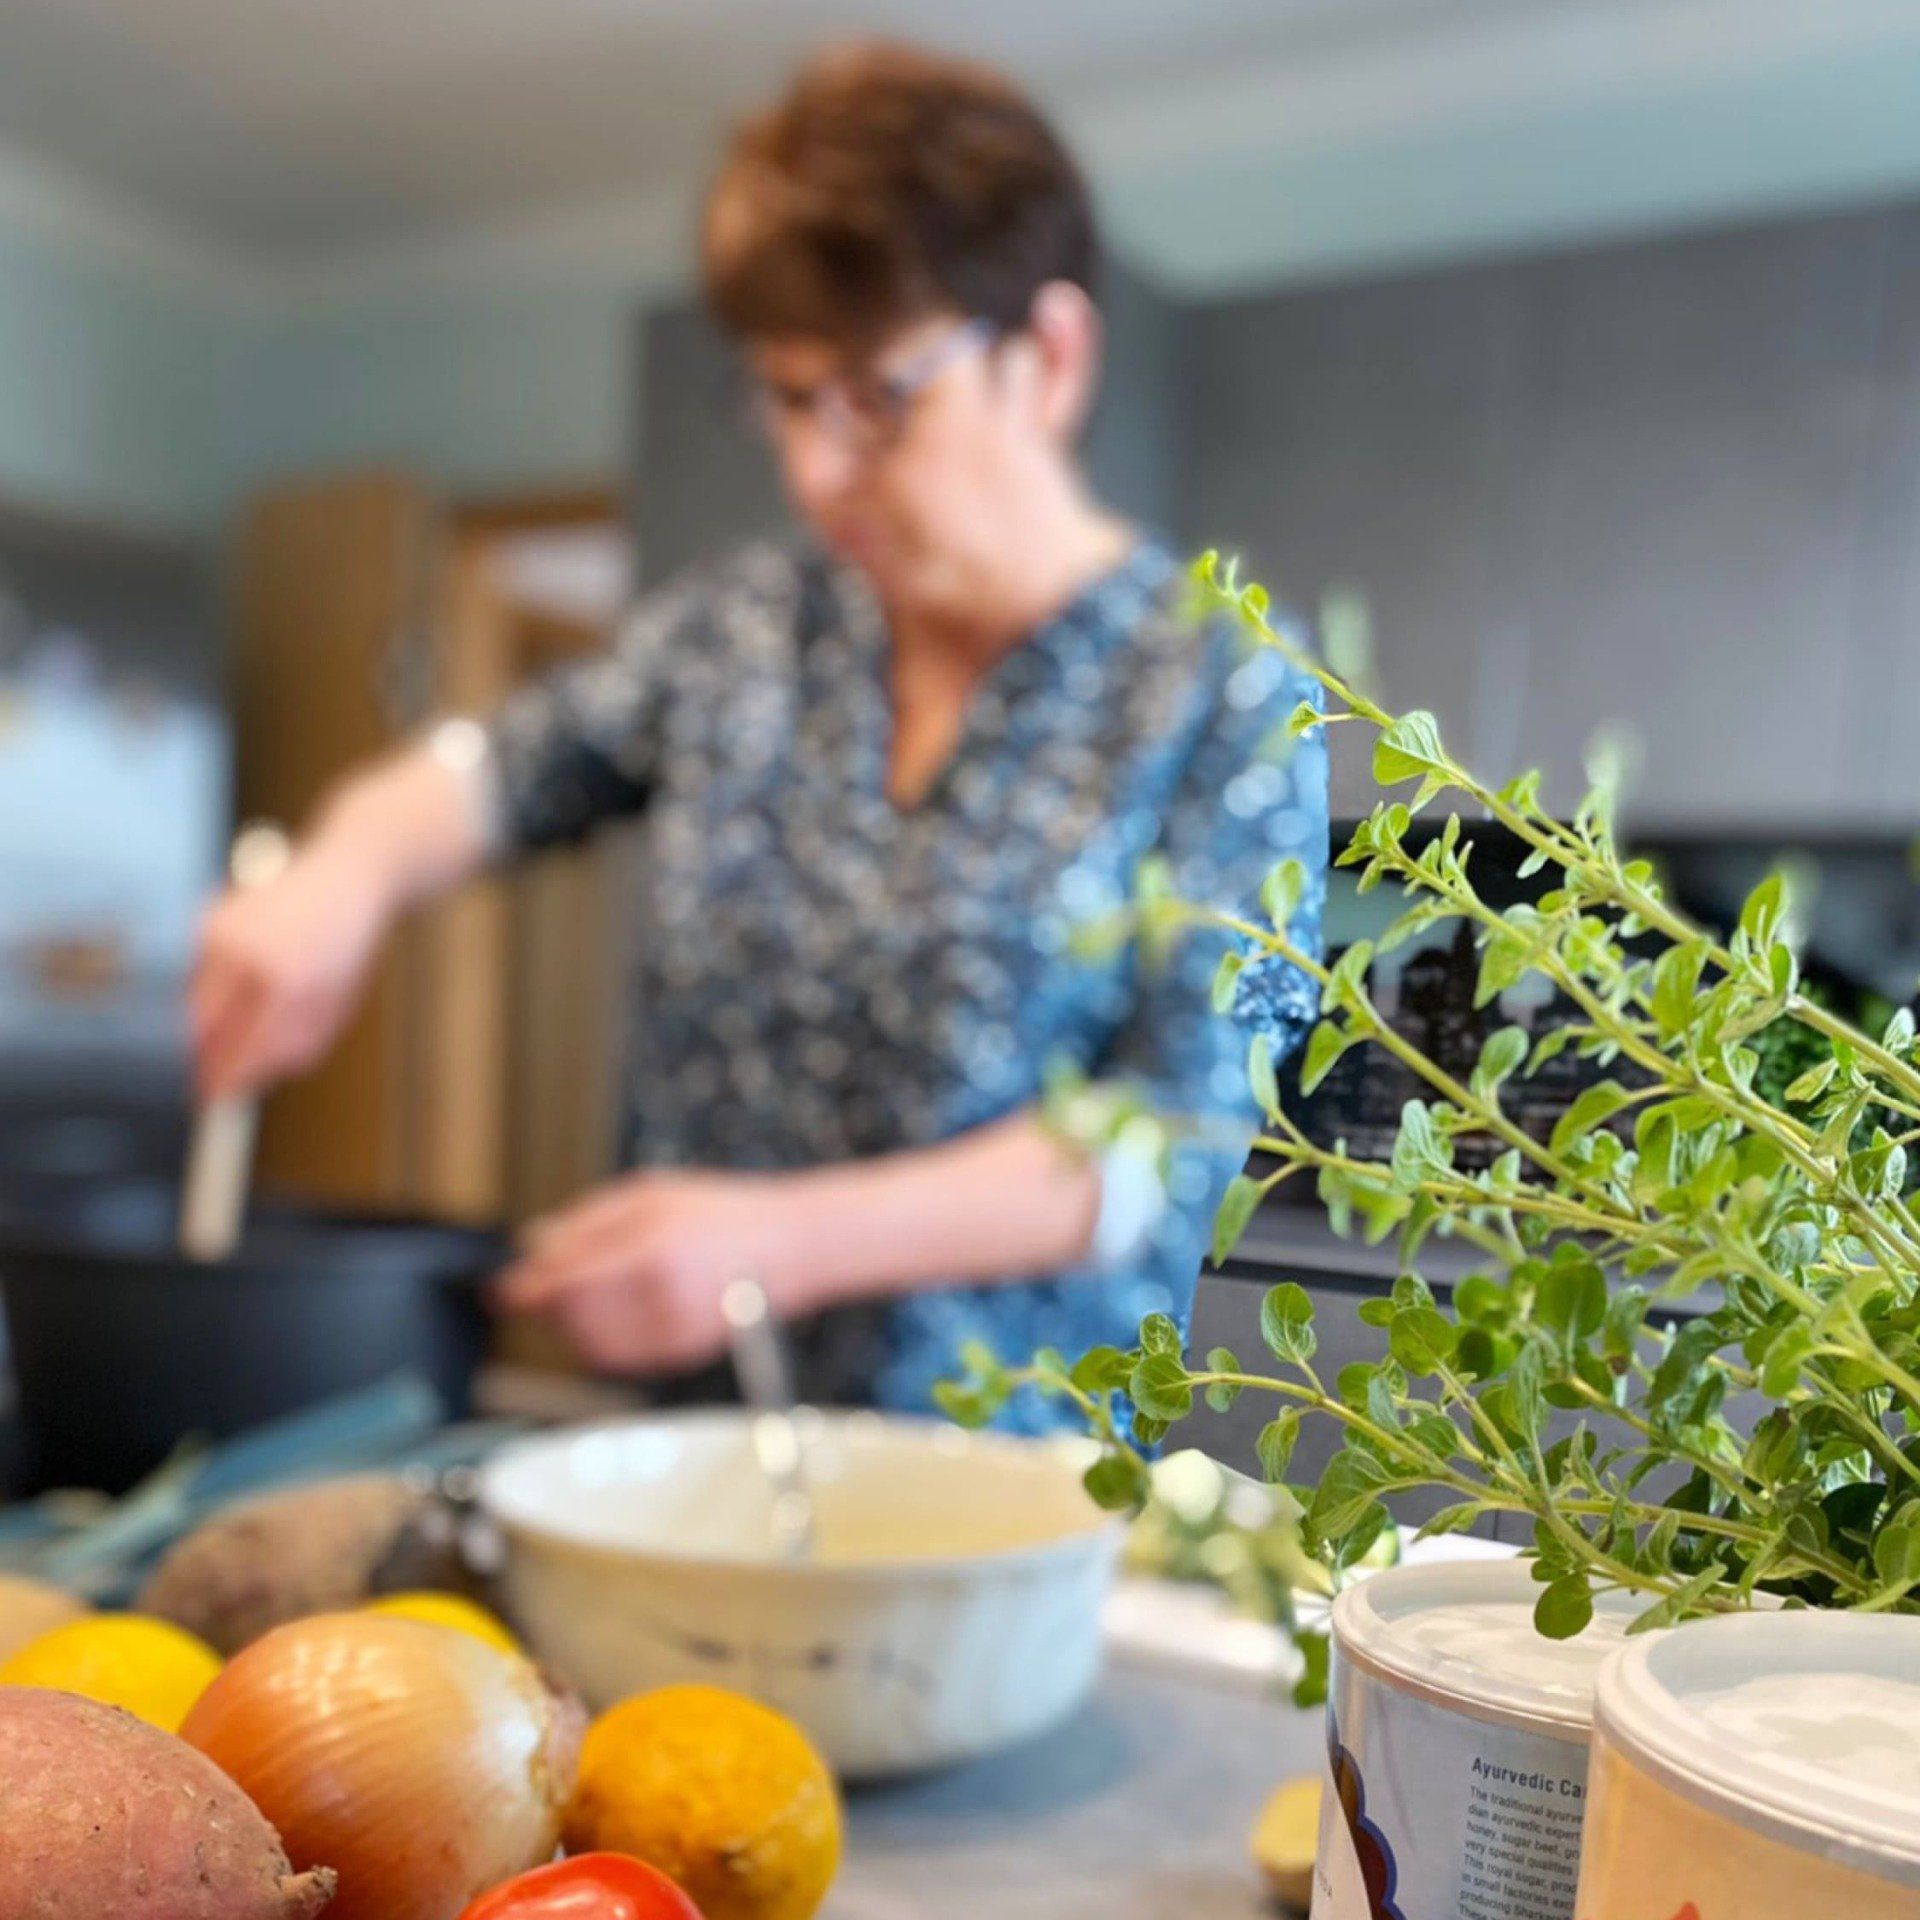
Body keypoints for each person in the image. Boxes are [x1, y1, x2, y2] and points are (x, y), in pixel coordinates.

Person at [191, 42, 1327, 1426]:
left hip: (1003, 1483)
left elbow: (1179, 1135)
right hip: (687, 1448)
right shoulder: (741, 631)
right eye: (790, 398)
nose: (813, 470)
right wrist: (342, 872)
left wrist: (779, 1244)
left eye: (877, 400)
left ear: (1049, 356)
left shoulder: (1219, 687)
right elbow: (502, 769)